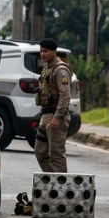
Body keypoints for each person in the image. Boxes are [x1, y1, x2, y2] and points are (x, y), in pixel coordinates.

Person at [34, 38, 72, 173]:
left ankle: (61, 182)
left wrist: (57, 117)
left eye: (46, 51)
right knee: (40, 151)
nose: (42, 54)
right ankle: (52, 179)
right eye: (41, 51)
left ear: (54, 52)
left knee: (56, 154)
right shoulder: (47, 68)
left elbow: (65, 95)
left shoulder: (60, 70)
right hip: (45, 115)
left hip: (56, 116)